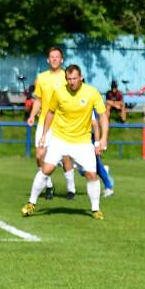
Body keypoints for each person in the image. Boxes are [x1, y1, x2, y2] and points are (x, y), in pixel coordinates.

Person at [21, 64, 109, 220]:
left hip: (82, 142)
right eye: (68, 79)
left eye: (74, 78)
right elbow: (50, 113)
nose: (71, 82)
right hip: (60, 139)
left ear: (81, 78)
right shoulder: (60, 92)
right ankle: (31, 203)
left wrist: (102, 139)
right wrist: (44, 134)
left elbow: (102, 117)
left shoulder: (92, 93)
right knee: (46, 169)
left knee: (91, 174)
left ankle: (95, 209)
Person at [26, 46, 76, 201]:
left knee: (66, 157)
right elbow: (38, 100)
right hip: (44, 124)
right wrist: (32, 115)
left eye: (57, 57)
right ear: (48, 60)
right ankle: (48, 186)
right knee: (40, 155)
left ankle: (71, 188)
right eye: (52, 57)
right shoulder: (41, 78)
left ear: (62, 60)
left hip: (62, 124)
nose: (54, 59)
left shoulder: (67, 77)